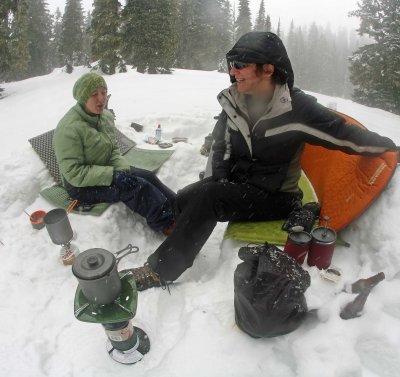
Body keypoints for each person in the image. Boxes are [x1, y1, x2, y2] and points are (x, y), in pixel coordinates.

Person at [127, 32, 399, 290]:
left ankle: (159, 270)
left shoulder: (296, 109)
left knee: (209, 197)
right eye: (232, 64)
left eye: (241, 65)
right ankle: (180, 230)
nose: (233, 71)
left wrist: (389, 148)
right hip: (241, 184)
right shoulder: (236, 101)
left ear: (268, 69)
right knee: (189, 197)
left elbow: (345, 134)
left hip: (276, 196)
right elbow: (221, 144)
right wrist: (219, 180)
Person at [54, 72, 176, 235]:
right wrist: (113, 175)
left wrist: (122, 170)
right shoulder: (69, 129)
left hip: (105, 169)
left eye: (103, 92)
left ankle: (178, 204)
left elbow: (113, 150)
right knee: (137, 187)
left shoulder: (104, 117)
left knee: (147, 176)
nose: (101, 99)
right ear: (83, 98)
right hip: (81, 187)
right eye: (94, 94)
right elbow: (73, 173)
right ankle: (167, 224)